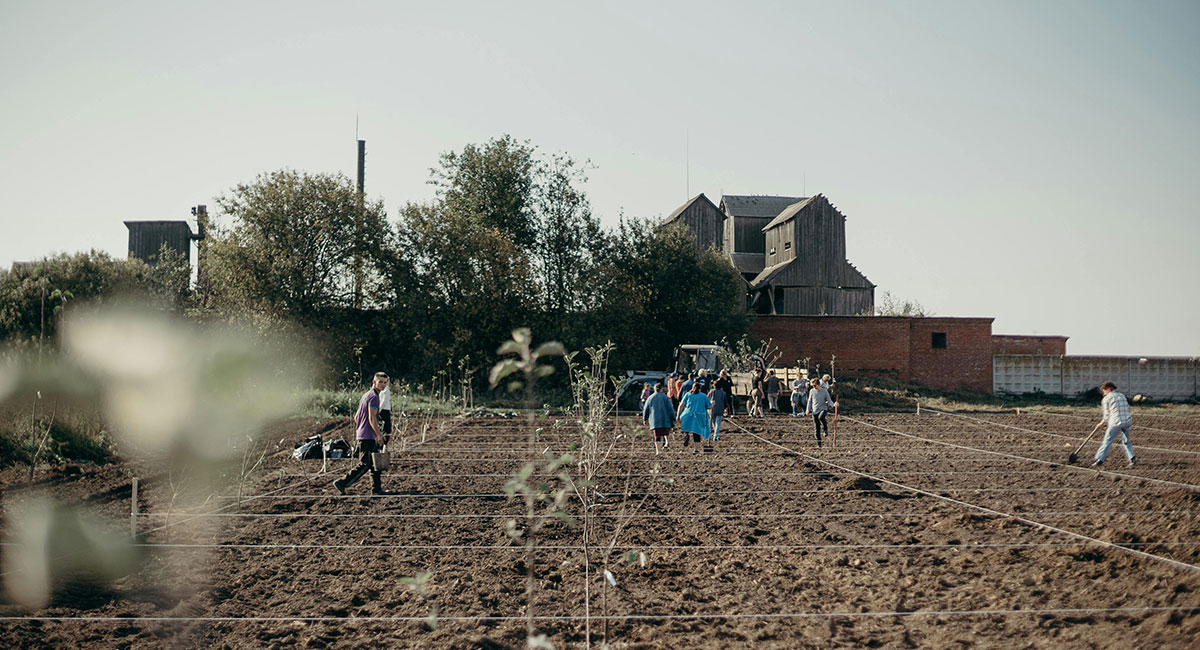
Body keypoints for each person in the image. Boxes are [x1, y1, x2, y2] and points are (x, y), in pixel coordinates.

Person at [335, 372, 392, 495]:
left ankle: (377, 489)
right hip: (368, 436)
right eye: (380, 382)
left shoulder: (366, 396)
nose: (382, 384)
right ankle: (342, 482)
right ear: (374, 382)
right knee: (365, 464)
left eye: (384, 382)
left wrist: (361, 428)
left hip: (364, 434)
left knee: (374, 464)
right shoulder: (374, 397)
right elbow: (372, 418)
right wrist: (378, 434)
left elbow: (356, 417)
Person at [1092, 381, 1137, 468]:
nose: (1103, 392)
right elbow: (1127, 408)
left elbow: (1106, 415)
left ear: (1108, 389)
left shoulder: (1106, 399)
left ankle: (1099, 460)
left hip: (1116, 422)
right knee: (1126, 441)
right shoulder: (1122, 395)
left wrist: (1101, 423)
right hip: (1127, 420)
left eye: (1103, 390)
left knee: (1107, 441)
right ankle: (1132, 458)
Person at [676, 381, 712, 452]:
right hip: (699, 416)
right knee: (696, 433)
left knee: (687, 427)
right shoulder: (703, 396)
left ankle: (686, 434)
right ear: (700, 389)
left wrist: (678, 415)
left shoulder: (688, 394)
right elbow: (709, 407)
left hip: (688, 414)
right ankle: (696, 449)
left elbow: (681, 405)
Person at [642, 382, 675, 455]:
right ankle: (667, 443)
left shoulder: (650, 398)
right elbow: (670, 408)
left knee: (657, 435)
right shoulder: (665, 397)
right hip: (665, 419)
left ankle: (658, 451)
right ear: (661, 389)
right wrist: (673, 418)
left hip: (655, 420)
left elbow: (646, 409)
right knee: (666, 432)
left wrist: (645, 419)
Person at [806, 378, 836, 447]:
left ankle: (825, 429)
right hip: (814, 410)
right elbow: (810, 401)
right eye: (812, 386)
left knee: (821, 417)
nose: (814, 387)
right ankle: (819, 444)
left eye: (815, 385)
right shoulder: (812, 391)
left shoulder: (824, 391)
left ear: (819, 384)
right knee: (816, 428)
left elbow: (829, 400)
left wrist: (833, 405)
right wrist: (808, 409)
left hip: (823, 409)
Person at [378, 376, 393, 441]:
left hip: (383, 410)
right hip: (384, 410)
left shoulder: (384, 390)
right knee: (385, 428)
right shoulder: (385, 390)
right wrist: (379, 410)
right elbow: (383, 401)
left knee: (383, 427)